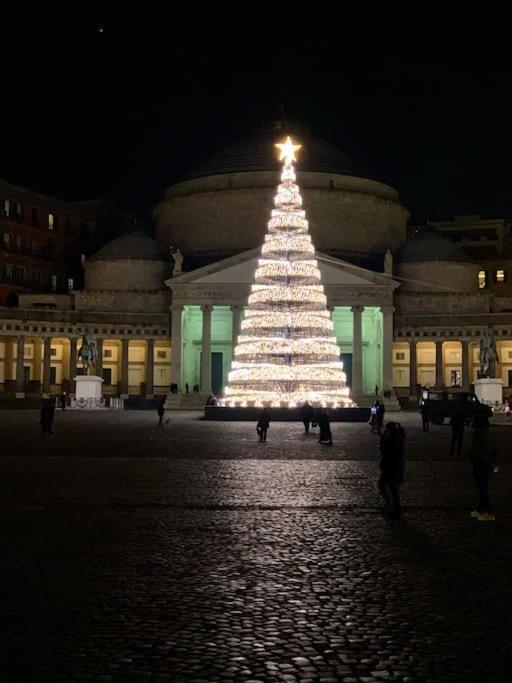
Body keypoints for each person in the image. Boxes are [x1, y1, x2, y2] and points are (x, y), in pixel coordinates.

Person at [469, 414, 496, 521]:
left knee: (482, 487)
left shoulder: (479, 434)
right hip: (484, 463)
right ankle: (480, 509)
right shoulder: (485, 433)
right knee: (482, 486)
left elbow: (479, 450)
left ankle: (488, 511)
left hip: (481, 463)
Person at [378, 421, 405, 518]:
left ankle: (392, 507)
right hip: (392, 466)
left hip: (391, 466)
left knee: (389, 487)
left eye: (387, 430)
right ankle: (393, 507)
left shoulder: (393, 440)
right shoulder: (396, 439)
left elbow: (387, 451)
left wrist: (383, 440)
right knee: (392, 488)